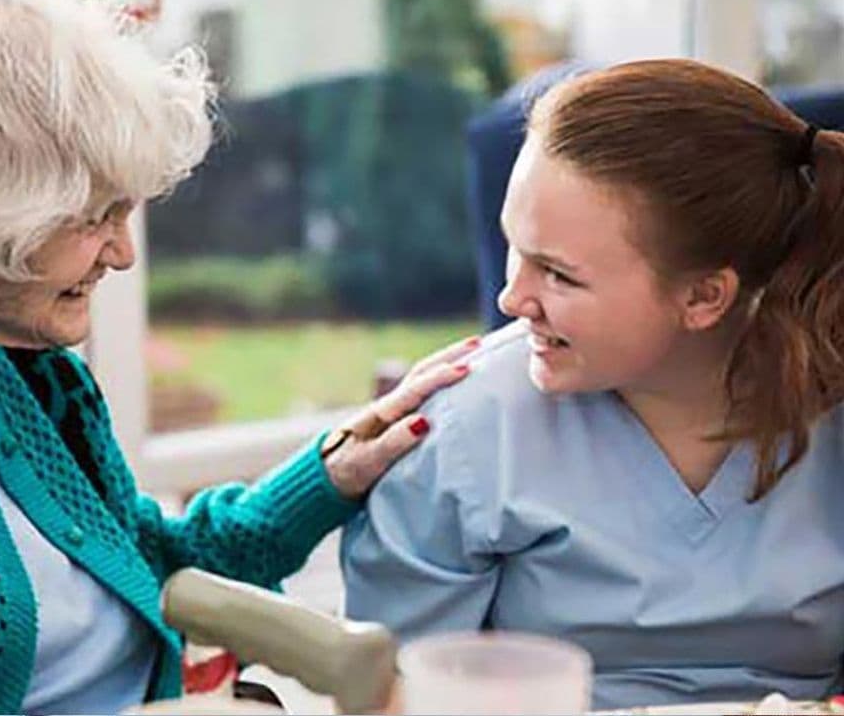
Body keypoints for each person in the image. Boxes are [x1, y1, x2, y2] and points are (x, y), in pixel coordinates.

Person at [0, 0, 476, 715]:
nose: (122, 254)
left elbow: (134, 561)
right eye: (95, 217)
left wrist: (332, 472)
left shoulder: (20, 363)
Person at [342, 58, 844, 711]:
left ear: (703, 296)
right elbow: (392, 694)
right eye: (514, 251)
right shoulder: (465, 433)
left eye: (558, 274)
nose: (510, 296)